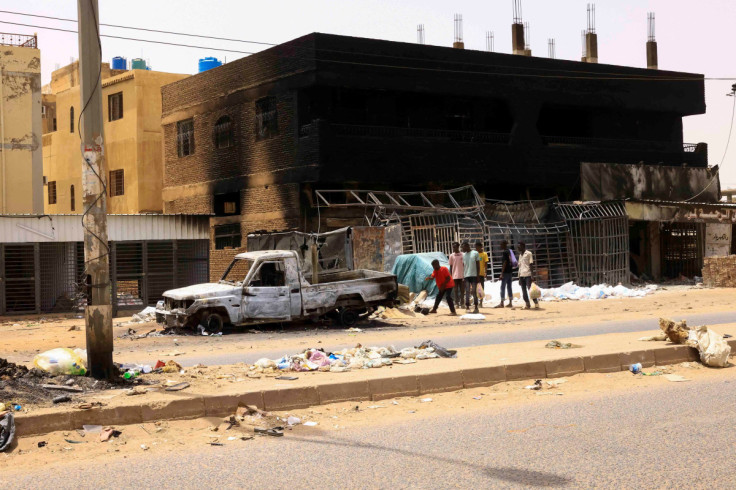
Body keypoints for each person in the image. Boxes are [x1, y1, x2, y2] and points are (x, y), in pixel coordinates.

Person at [518, 241, 539, 309]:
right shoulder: (520, 255)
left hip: (528, 274)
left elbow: (531, 264)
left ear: (523, 246)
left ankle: (536, 302)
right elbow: (520, 267)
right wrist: (519, 277)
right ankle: (527, 304)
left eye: (519, 246)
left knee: (530, 290)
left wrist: (532, 276)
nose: (518, 247)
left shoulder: (529, 253)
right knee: (523, 290)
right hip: (521, 275)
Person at [462, 241, 480, 313]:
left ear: (467, 246)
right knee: (467, 291)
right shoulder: (464, 255)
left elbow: (478, 265)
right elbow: (464, 266)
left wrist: (478, 275)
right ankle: (467, 307)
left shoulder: (475, 253)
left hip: (474, 275)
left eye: (463, 247)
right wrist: (463, 275)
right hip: (466, 276)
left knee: (474, 291)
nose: (462, 249)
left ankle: (476, 307)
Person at [495, 240, 513, 308]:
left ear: (504, 245)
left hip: (505, 272)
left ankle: (502, 303)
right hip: (510, 272)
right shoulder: (509, 251)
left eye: (501, 244)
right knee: (509, 287)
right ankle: (510, 302)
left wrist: (501, 273)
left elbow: (505, 263)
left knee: (502, 287)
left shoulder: (505, 252)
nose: (500, 246)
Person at [448, 242, 465, 308]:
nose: (453, 249)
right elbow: (451, 266)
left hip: (462, 275)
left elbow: (464, 265)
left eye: (455, 247)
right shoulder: (451, 255)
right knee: (455, 290)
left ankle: (462, 303)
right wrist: (450, 275)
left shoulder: (462, 255)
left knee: (462, 290)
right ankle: (456, 303)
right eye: (453, 247)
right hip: (454, 275)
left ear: (458, 247)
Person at [475, 242, 489, 307]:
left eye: (477, 247)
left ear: (480, 247)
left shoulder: (484, 254)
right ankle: (476, 302)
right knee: (475, 288)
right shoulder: (475, 254)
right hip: (475, 274)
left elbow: (486, 264)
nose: (476, 249)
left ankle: (481, 302)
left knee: (481, 288)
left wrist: (485, 272)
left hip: (481, 273)